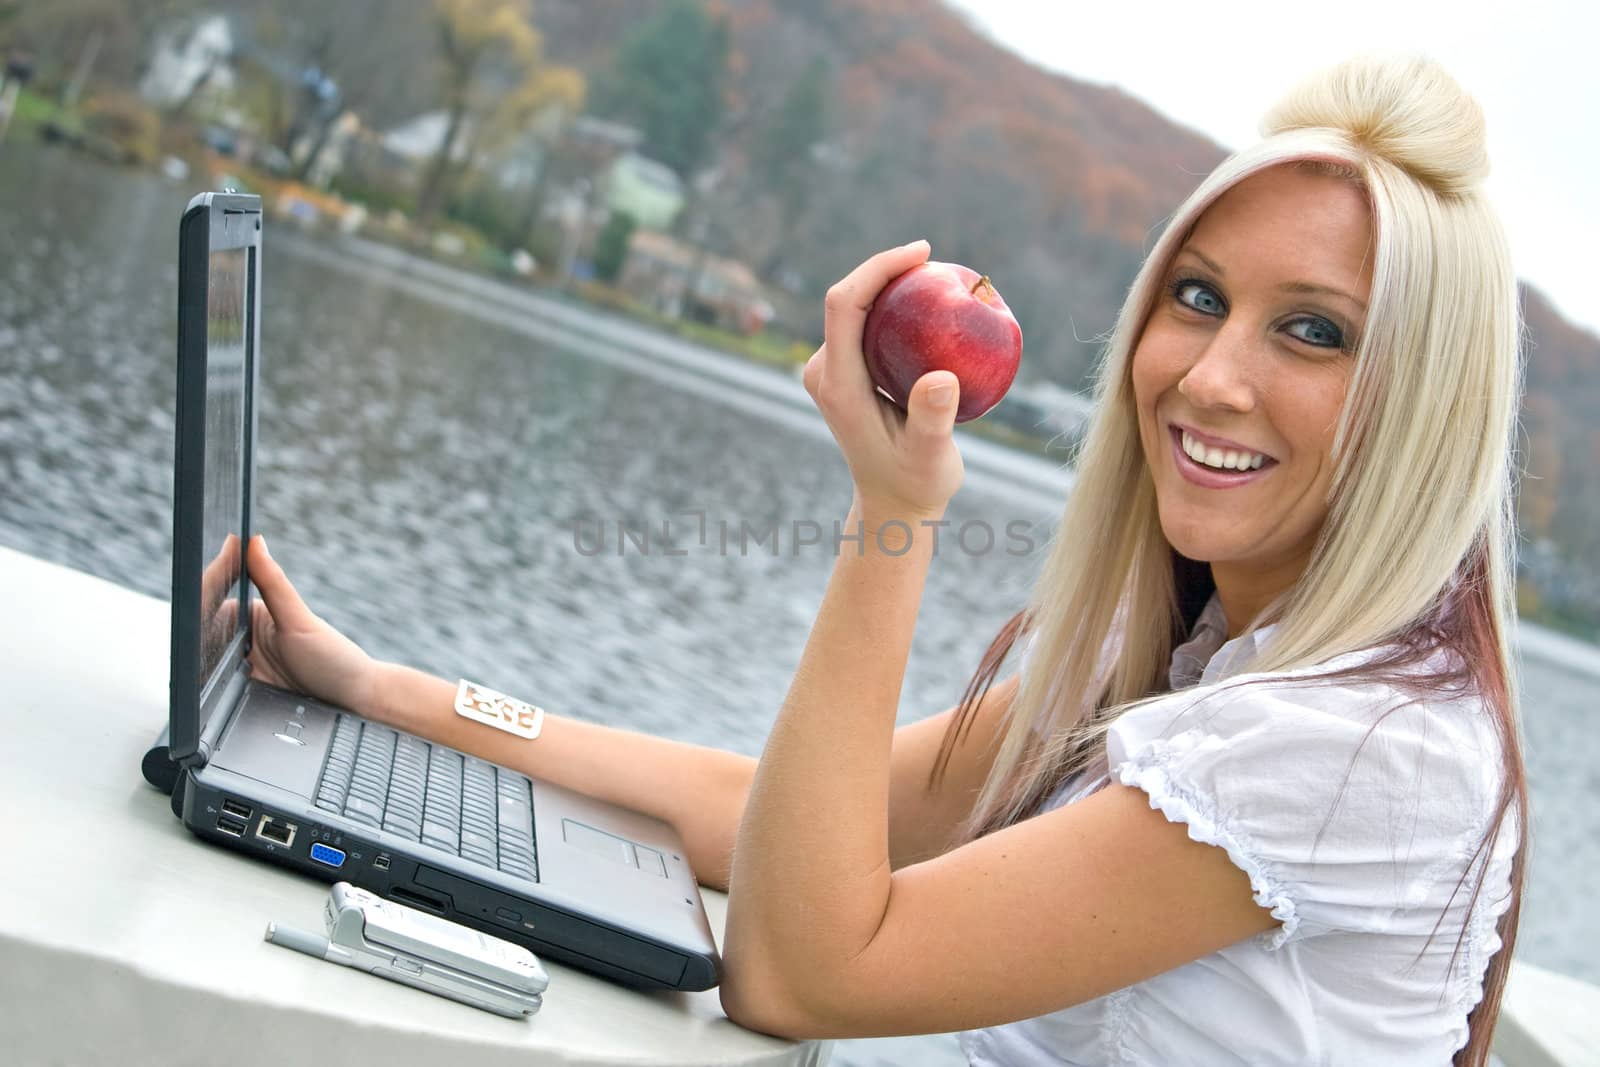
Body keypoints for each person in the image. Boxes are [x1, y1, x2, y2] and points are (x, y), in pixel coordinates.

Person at [242, 51, 1526, 1066]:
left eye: (1312, 330)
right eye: (1196, 296)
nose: (1209, 375)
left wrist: (892, 507)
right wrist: (381, 690)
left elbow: (799, 971)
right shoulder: (1207, 672)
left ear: (1426, 402)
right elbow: (754, 814)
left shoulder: (1356, 751)